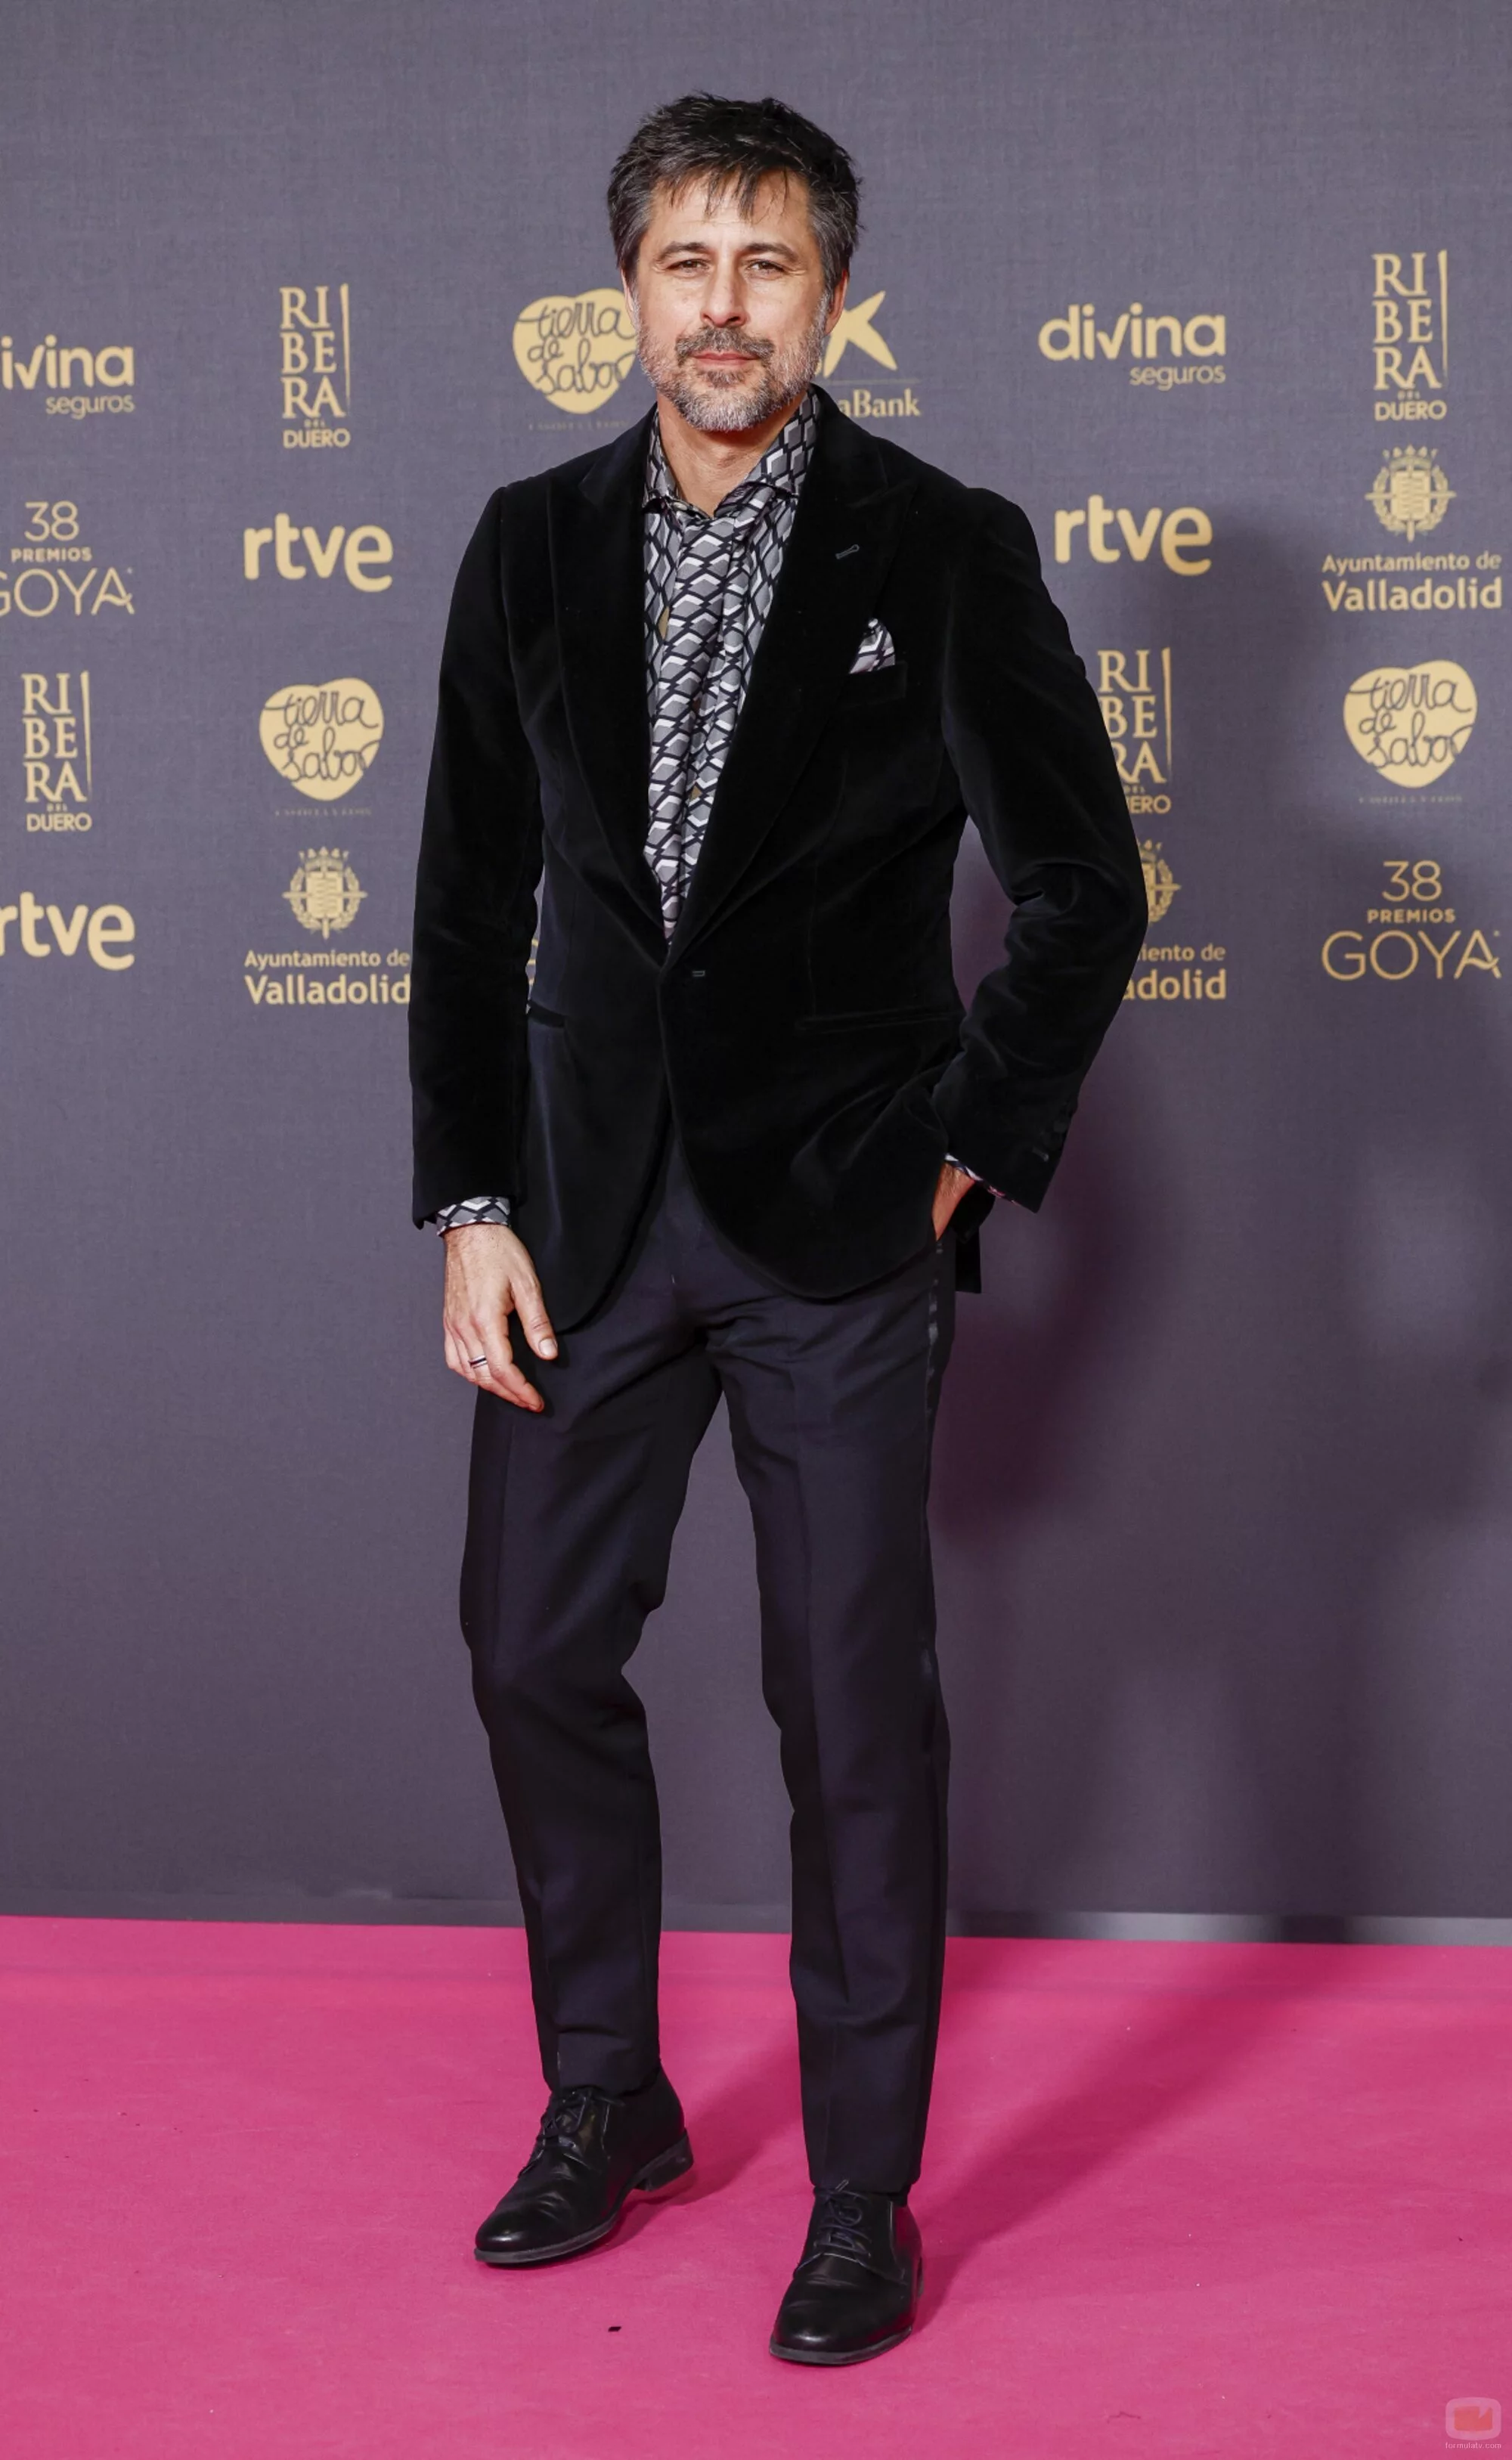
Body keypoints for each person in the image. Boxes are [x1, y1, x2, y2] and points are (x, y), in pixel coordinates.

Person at [409, 91, 1145, 2366]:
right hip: (581, 1217)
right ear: (626, 291)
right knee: (529, 1650)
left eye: (769, 265)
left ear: (834, 295)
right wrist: (468, 1200)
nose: (723, 309)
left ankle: (856, 2189)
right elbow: (465, 912)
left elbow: (1084, 885)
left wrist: (965, 1146)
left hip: (838, 1222)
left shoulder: (942, 543)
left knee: (849, 1713)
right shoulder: (525, 544)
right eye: (685, 263)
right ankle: (609, 2098)